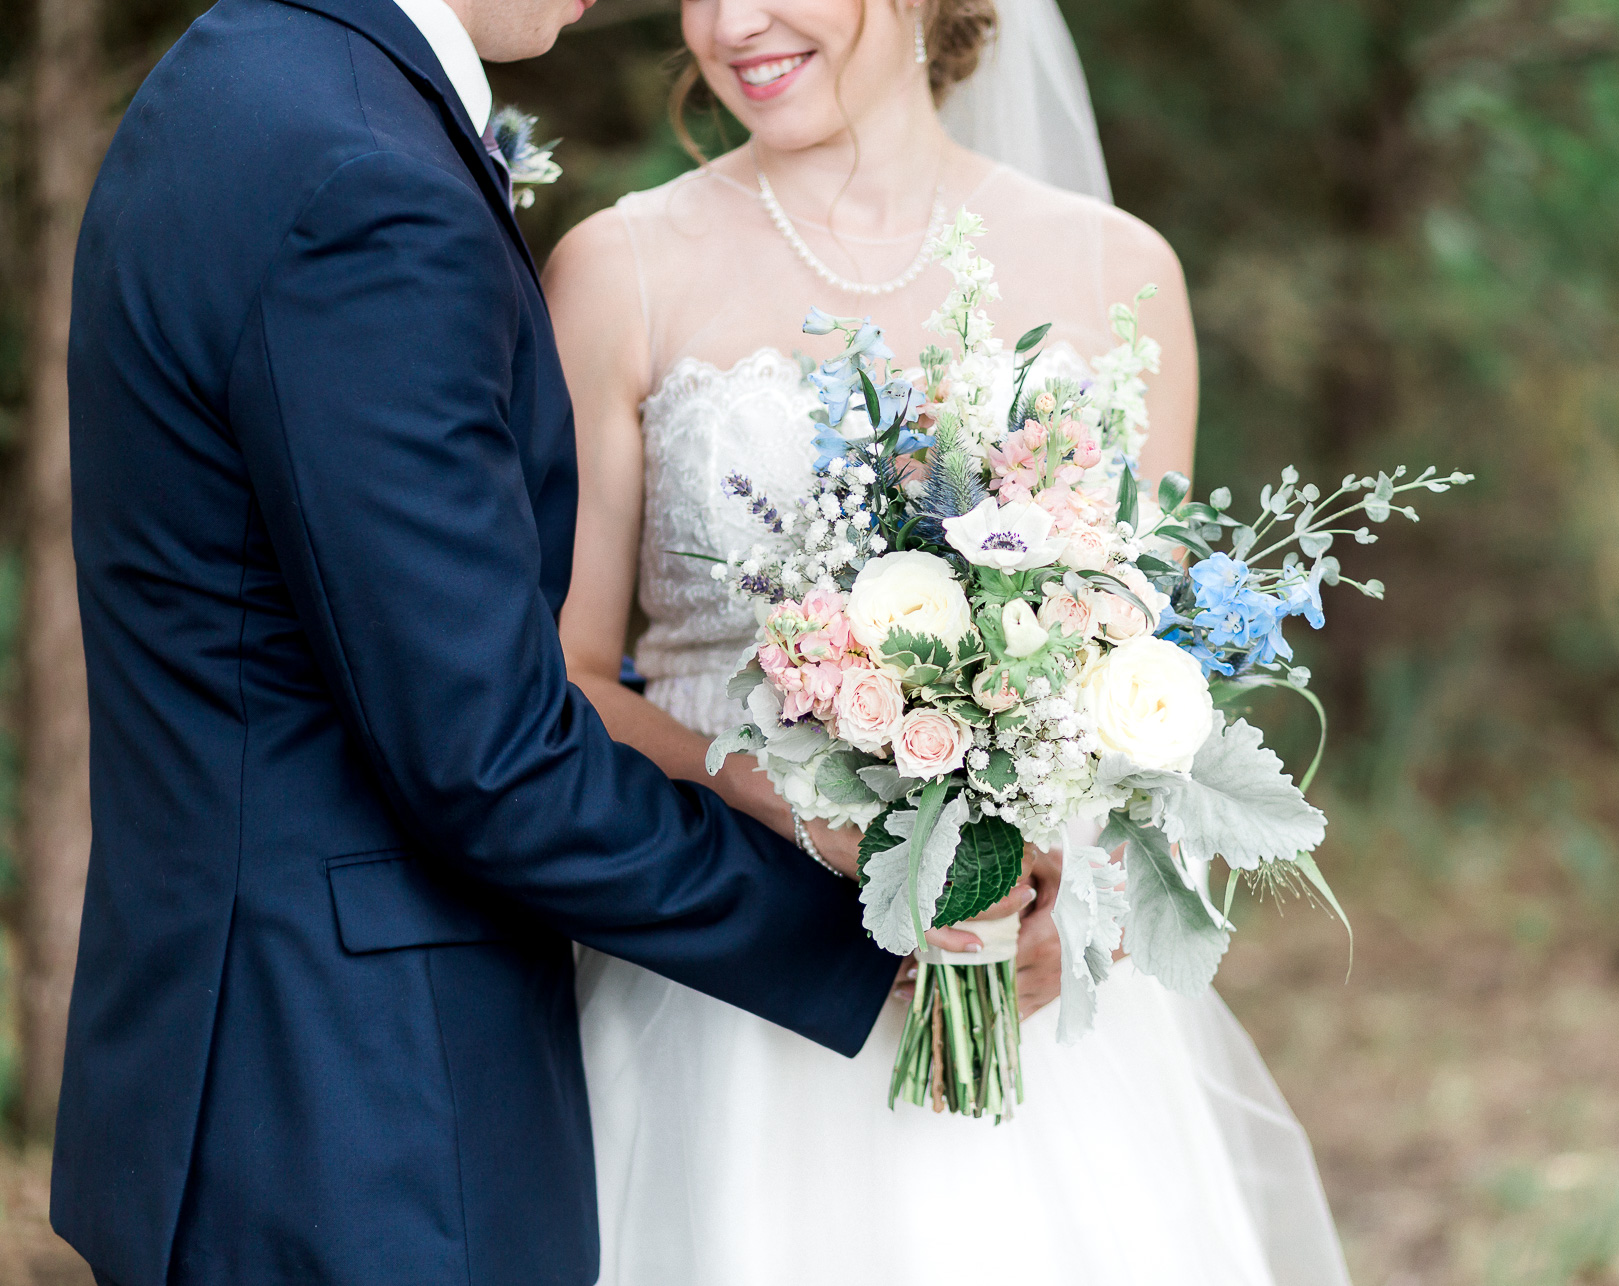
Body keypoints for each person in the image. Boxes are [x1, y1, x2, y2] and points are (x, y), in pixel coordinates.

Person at [48, 0, 971, 1280]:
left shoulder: (236, 70)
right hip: (363, 1122)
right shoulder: (364, 180)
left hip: (230, 1072)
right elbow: (492, 757)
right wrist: (865, 938)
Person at [544, 0, 1356, 1282]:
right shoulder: (618, 267)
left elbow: (1144, 682)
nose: (730, 23)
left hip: (1034, 993)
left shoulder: (1118, 269)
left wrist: (1049, 888)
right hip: (722, 976)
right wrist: (768, 791)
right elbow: (567, 679)